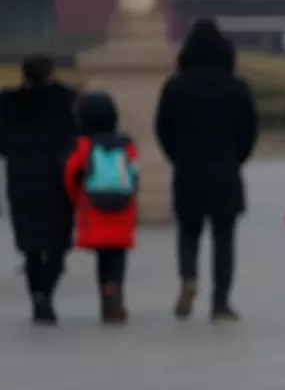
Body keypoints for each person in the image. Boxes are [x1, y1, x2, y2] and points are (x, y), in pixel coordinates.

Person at [155, 18, 259, 322]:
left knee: (188, 232)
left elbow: (163, 128)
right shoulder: (236, 87)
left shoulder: (175, 87)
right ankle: (221, 302)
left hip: (188, 170)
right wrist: (236, 158)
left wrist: (178, 156)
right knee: (223, 238)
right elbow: (250, 129)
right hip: (225, 170)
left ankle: (189, 277)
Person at [0, 55, 77, 324]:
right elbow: (75, 134)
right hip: (57, 176)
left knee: (31, 244)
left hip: (22, 176)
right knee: (58, 240)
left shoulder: (8, 102)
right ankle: (47, 291)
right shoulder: (66, 98)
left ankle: (38, 297)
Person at [63, 92, 138, 324]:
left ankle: (105, 296)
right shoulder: (126, 144)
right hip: (122, 207)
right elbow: (134, 175)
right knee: (118, 254)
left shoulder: (83, 144)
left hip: (95, 207)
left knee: (103, 255)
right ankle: (115, 288)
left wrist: (78, 199)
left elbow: (71, 174)